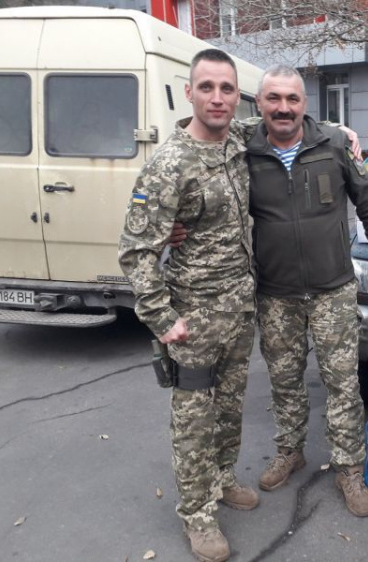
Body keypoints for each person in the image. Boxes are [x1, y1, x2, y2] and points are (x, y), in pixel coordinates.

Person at [118, 49, 259, 562]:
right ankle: (198, 516)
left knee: (230, 409)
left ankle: (223, 480)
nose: (218, 98)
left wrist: (343, 132)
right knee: (194, 419)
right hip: (192, 320)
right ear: (189, 93)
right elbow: (135, 251)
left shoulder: (239, 143)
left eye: (227, 89)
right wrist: (162, 320)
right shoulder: (169, 164)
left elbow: (286, 118)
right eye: (207, 88)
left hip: (240, 310)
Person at [246, 65, 368, 518]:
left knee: (342, 384)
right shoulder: (243, 149)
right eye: (273, 98)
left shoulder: (333, 144)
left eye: (292, 98)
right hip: (276, 294)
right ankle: (291, 450)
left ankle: (349, 468)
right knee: (285, 381)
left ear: (305, 104)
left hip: (332, 290)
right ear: (259, 105)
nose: (283, 108)